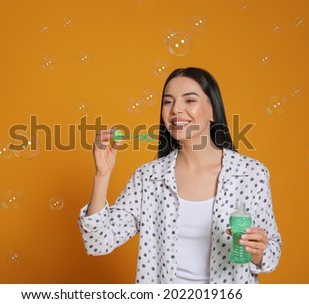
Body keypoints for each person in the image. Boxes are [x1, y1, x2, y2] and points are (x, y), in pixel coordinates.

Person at [78, 67, 282, 284]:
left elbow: (272, 254)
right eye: (168, 102)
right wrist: (102, 175)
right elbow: (97, 243)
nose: (176, 109)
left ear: (213, 110)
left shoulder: (250, 175)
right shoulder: (149, 178)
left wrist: (258, 252)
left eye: (189, 100)